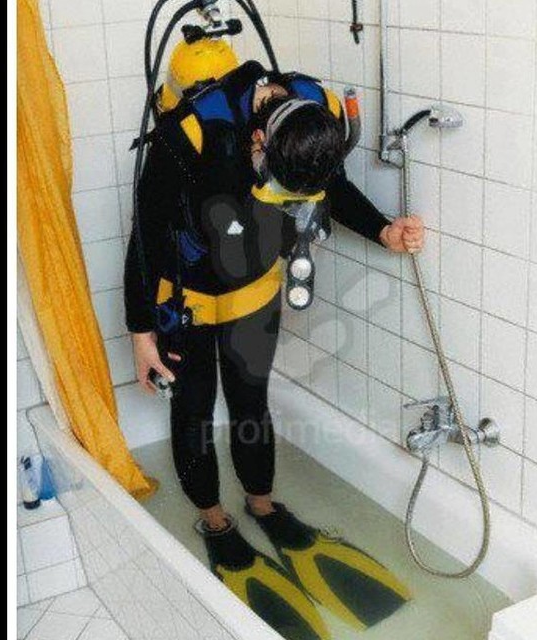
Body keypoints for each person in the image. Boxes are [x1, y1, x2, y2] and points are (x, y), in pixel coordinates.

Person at [124, 38, 422, 639]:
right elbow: (146, 236)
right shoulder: (187, 136)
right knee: (193, 408)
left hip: (254, 291)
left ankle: (261, 505)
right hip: (184, 299)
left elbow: (333, 187)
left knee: (251, 402)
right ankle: (214, 520)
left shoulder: (313, 115)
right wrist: (141, 333)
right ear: (257, 141)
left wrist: (383, 230)